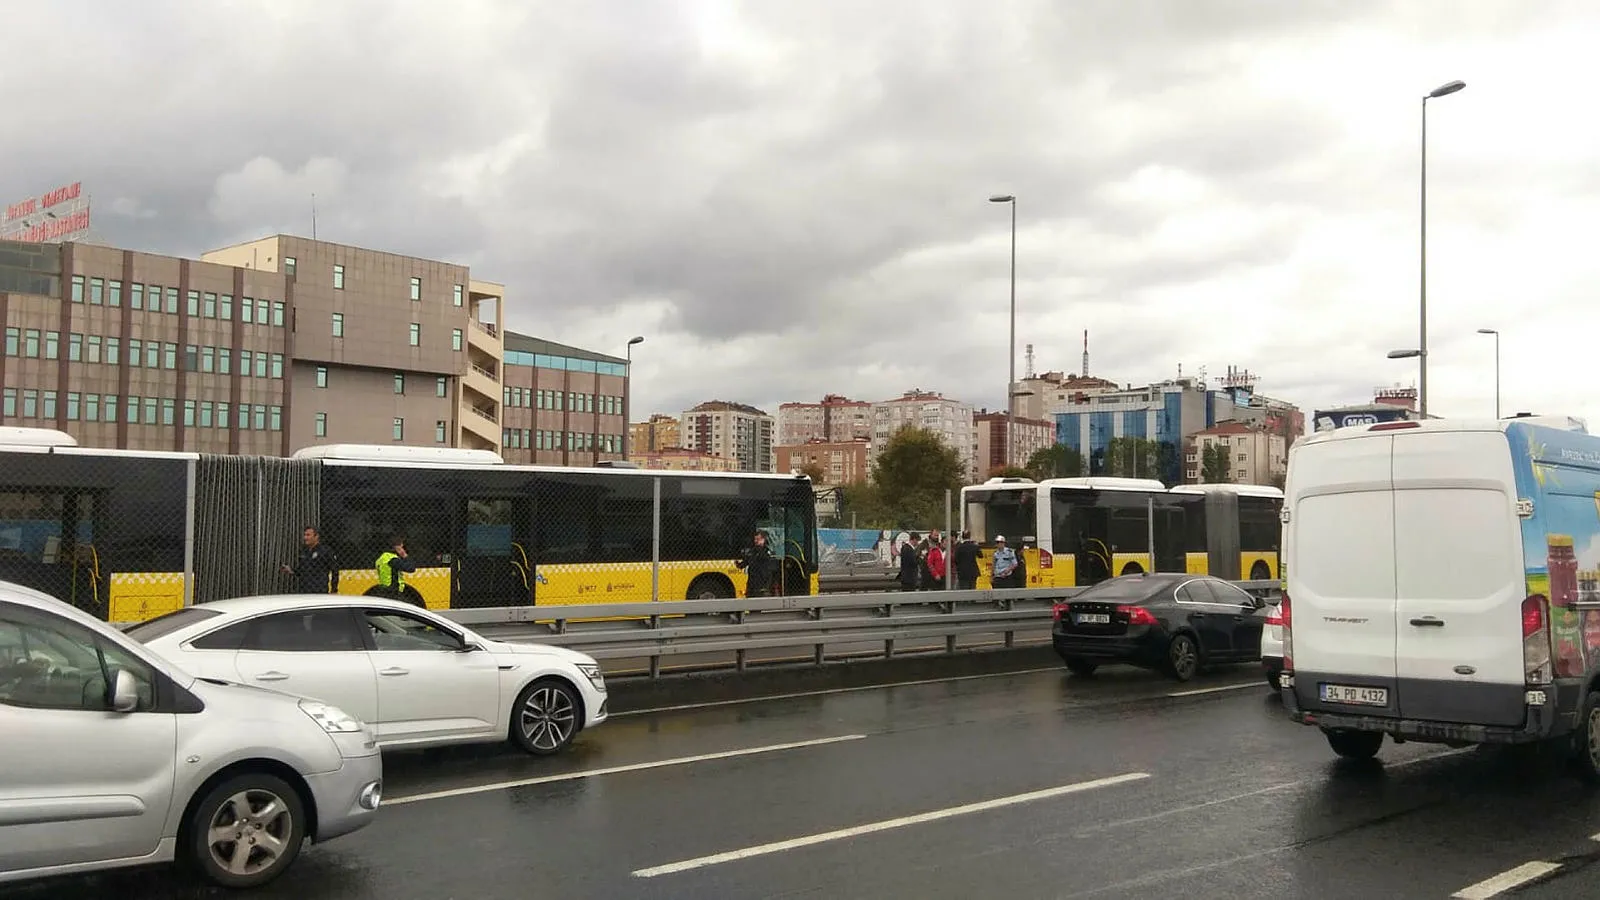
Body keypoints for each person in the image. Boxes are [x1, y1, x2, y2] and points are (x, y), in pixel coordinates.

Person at [281, 526, 339, 594]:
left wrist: (334, 589)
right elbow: (301, 570)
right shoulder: (304, 551)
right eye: (304, 535)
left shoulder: (325, 551)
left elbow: (335, 570)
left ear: (316, 536)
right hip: (304, 590)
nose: (305, 538)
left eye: (308, 535)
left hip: (319, 591)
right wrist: (291, 570)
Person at [374, 535, 419, 603]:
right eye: (402, 547)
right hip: (393, 591)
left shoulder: (382, 558)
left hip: (385, 589)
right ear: (397, 547)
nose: (403, 548)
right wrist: (405, 556)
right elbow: (411, 568)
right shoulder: (392, 559)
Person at [736, 530, 778, 597]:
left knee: (762, 597)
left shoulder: (767, 551)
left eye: (758, 539)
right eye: (755, 539)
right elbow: (746, 561)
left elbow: (770, 564)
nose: (756, 541)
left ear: (763, 540)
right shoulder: (753, 551)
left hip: (763, 581)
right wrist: (739, 564)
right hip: (752, 582)